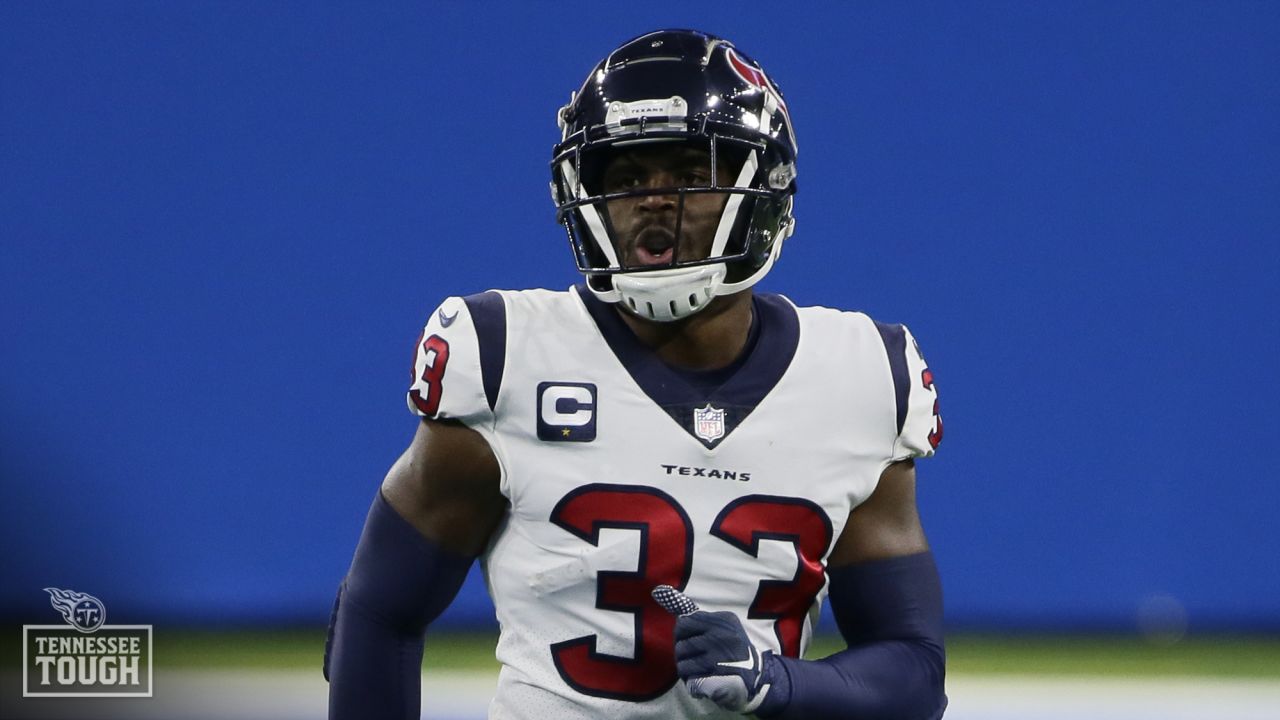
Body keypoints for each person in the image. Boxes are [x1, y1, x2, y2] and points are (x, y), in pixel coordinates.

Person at [325, 28, 947, 720]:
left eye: (686, 171)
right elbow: (379, 609)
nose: (654, 198)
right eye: (625, 177)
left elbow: (914, 669)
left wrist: (777, 682)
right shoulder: (505, 354)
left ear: (763, 191)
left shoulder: (859, 375)